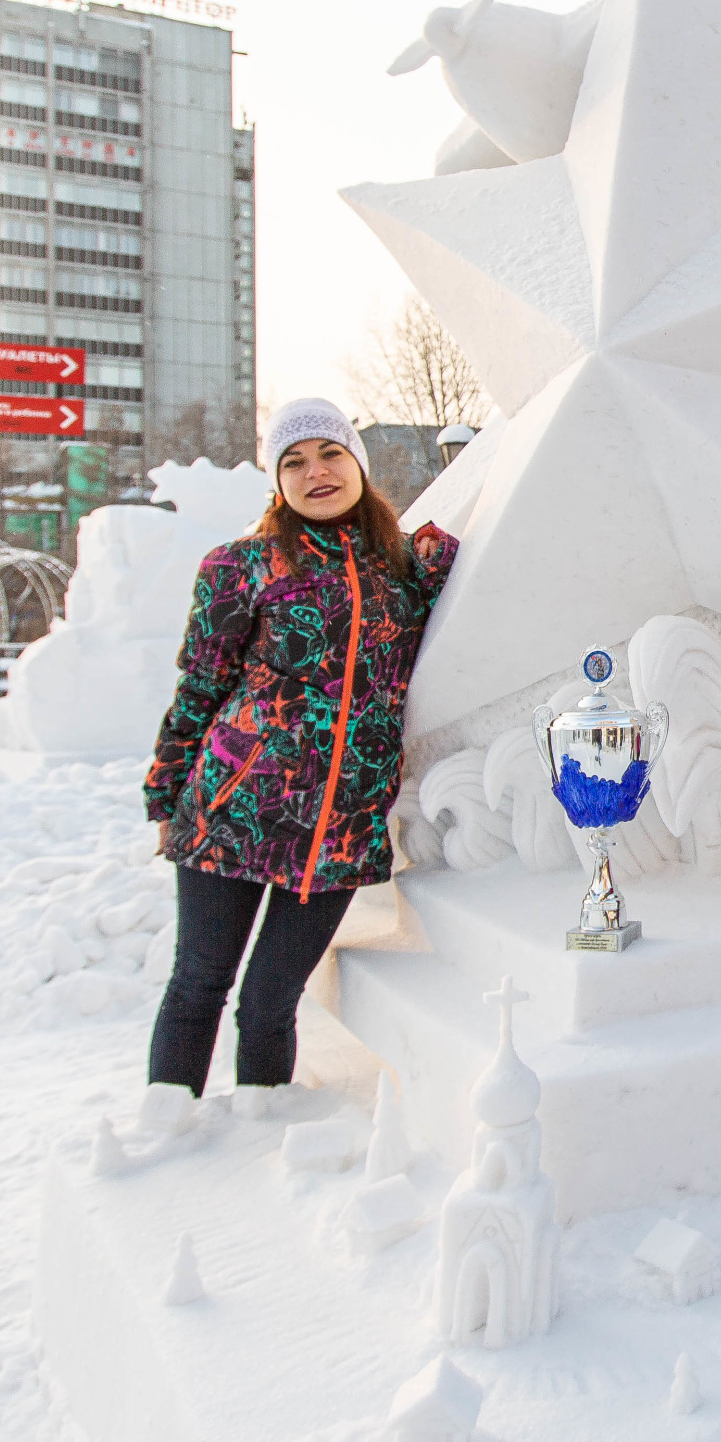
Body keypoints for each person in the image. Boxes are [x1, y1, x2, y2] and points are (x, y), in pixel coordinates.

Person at [137, 400, 458, 1130]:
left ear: (358, 464)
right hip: (236, 811)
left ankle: (257, 1130)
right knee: (199, 983)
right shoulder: (241, 567)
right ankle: (163, 1130)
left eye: (330, 454)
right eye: (294, 461)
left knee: (270, 1000)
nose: (316, 472)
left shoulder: (406, 568)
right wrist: (166, 798)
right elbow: (199, 688)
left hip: (340, 832)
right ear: (277, 482)